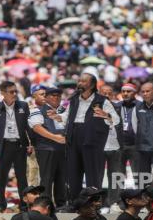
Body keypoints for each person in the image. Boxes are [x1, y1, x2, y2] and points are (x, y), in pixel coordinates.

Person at [49, 73, 120, 201]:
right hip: (73, 137)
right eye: (79, 80)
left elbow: (116, 119)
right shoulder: (74, 99)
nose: (79, 83)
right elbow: (67, 117)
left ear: (92, 85)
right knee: (73, 172)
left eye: (83, 81)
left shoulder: (102, 101)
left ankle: (93, 203)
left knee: (93, 173)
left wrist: (106, 115)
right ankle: (75, 202)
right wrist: (57, 116)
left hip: (93, 140)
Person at [0, 81, 32, 210]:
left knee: (22, 178)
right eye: (11, 92)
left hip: (19, 145)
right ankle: (0, 204)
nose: (14, 94)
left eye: (15, 91)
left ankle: (24, 205)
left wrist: (31, 143)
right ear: (2, 93)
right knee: (1, 178)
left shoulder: (24, 106)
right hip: (3, 145)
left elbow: (28, 127)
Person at [28, 85, 67, 207]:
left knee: (62, 178)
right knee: (47, 178)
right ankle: (46, 205)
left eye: (58, 96)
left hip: (63, 149)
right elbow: (37, 128)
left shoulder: (65, 110)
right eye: (53, 95)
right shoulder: (37, 110)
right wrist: (56, 138)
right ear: (47, 97)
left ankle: (61, 204)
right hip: (46, 148)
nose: (56, 98)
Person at [99, 84, 124, 209]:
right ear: (99, 93)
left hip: (115, 146)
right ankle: (96, 202)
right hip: (99, 146)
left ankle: (115, 202)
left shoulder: (118, 108)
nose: (107, 95)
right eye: (104, 93)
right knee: (97, 176)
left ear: (113, 95)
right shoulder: (94, 108)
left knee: (116, 176)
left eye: (109, 93)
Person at [118, 83, 140, 174]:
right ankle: (118, 189)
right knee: (118, 175)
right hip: (119, 146)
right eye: (123, 91)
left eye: (128, 91)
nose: (125, 93)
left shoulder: (141, 106)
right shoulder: (116, 106)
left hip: (136, 146)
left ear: (135, 93)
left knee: (139, 175)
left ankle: (142, 189)